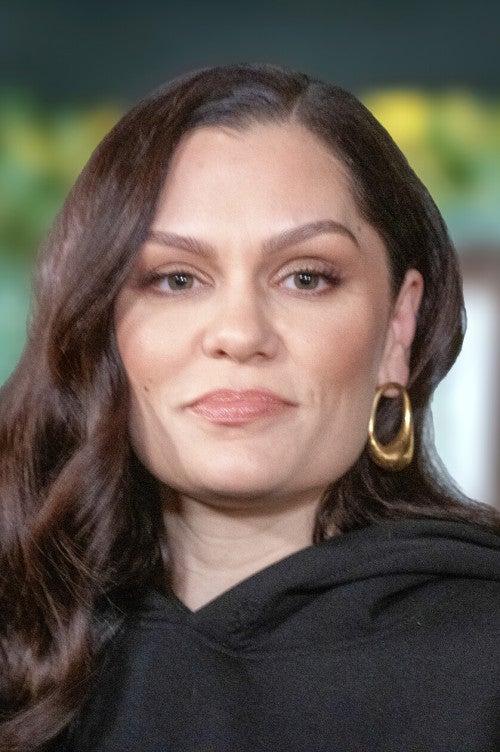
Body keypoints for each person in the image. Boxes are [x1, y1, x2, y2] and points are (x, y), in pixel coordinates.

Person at [0, 63, 499, 752]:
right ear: (98, 327)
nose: (239, 333)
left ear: (396, 329)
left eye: (306, 278)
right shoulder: (21, 639)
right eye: (176, 279)